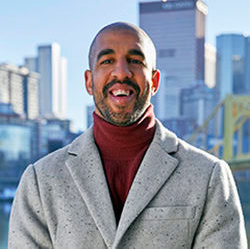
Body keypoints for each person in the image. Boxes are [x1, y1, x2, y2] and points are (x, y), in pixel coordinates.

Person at [8, 22, 247, 249]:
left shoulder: (208, 176)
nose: (121, 72)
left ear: (154, 81)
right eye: (107, 60)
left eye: (134, 60)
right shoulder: (40, 181)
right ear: (89, 81)